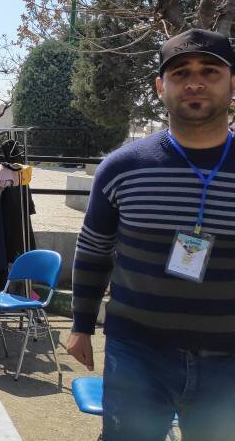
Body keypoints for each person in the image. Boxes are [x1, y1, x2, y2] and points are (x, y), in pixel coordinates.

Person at [68, 29, 235, 441]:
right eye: (180, 73)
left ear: (233, 84)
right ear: (161, 87)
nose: (194, 82)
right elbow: (94, 249)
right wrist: (81, 324)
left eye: (210, 71)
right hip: (137, 354)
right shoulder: (122, 167)